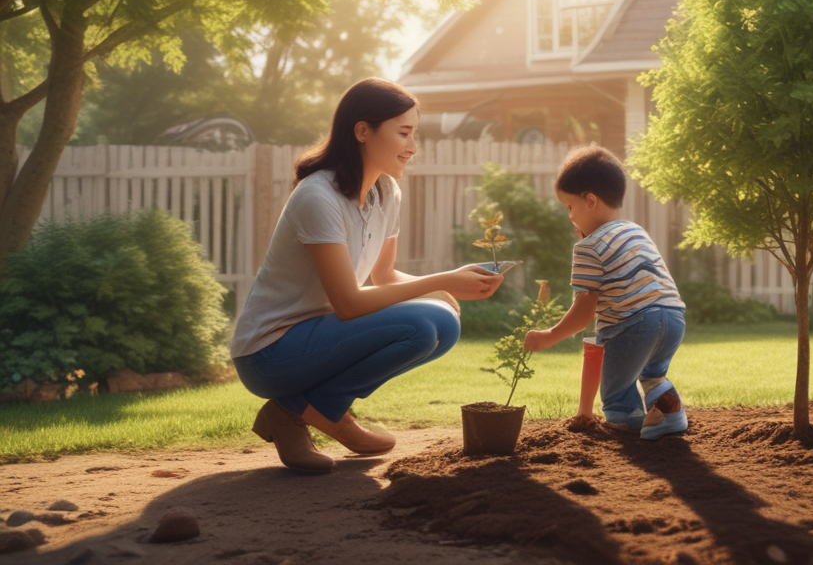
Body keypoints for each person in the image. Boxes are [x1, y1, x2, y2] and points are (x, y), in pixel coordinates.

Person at [231, 78, 504, 473]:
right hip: (269, 352)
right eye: (404, 133)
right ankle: (307, 412)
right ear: (362, 131)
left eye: (414, 134)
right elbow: (348, 303)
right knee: (423, 325)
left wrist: (443, 291)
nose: (413, 146)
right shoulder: (317, 196)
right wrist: (442, 281)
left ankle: (311, 409)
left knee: (444, 325)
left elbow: (385, 275)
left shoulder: (386, 192)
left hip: (319, 337)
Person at [523, 146, 688, 439]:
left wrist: (550, 336)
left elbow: (585, 308)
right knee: (652, 375)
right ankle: (670, 416)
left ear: (590, 201)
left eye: (569, 207)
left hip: (634, 324)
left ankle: (629, 433)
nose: (569, 216)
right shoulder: (635, 231)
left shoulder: (587, 247)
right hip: (673, 316)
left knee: (615, 392)